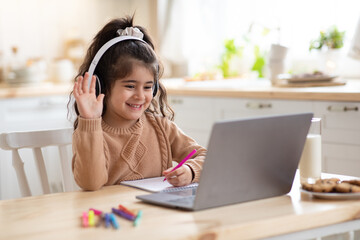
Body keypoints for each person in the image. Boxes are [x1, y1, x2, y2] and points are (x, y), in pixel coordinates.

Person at [69, 15, 206, 191]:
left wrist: (190, 170)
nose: (140, 96)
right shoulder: (90, 132)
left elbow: (205, 155)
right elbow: (90, 183)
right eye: (130, 86)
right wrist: (90, 120)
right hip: (111, 214)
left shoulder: (161, 127)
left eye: (148, 87)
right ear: (102, 85)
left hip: (154, 215)